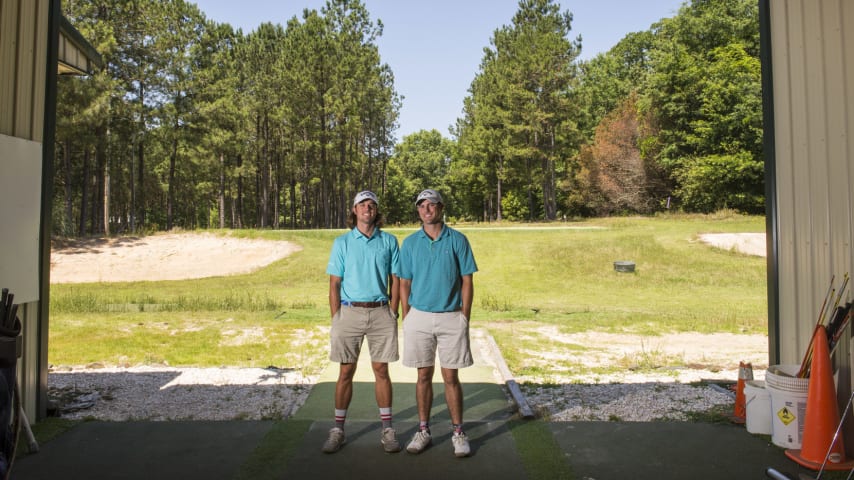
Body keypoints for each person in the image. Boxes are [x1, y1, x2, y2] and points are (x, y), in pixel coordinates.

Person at [398, 189, 478, 458]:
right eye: (422, 205)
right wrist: (407, 315)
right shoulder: (409, 243)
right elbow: (404, 282)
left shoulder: (457, 239)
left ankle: (458, 432)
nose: (427, 209)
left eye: (432, 205)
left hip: (451, 316)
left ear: (441, 208)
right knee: (422, 376)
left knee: (451, 377)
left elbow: (467, 280)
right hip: (418, 316)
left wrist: (464, 315)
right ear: (418, 211)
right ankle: (423, 430)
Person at [322, 190, 401, 454]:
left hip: (381, 312)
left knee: (381, 371)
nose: (367, 208)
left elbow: (396, 279)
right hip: (349, 313)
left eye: (372, 205)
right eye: (362, 205)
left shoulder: (389, 241)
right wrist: (337, 317)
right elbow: (334, 284)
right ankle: (338, 429)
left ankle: (387, 430)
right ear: (354, 210)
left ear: (376, 211)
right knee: (346, 371)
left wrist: (394, 310)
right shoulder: (342, 243)